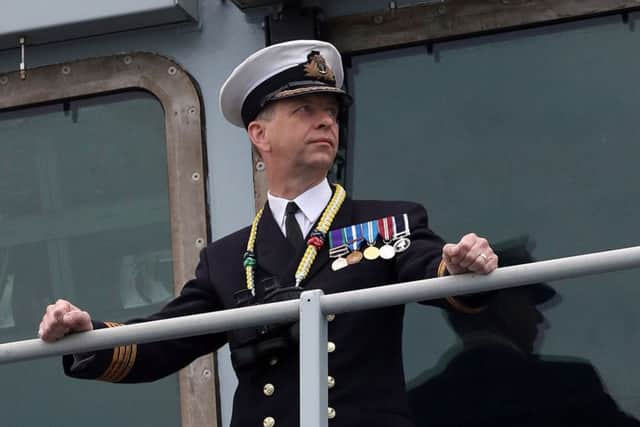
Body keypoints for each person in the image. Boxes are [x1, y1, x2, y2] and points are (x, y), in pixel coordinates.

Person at [38, 40, 498, 427]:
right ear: (259, 134)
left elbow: (435, 270)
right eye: (305, 109)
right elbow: (167, 341)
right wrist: (89, 336)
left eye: (331, 112)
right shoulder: (227, 258)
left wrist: (458, 266)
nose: (326, 122)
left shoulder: (387, 223)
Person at [408, 239, 640, 427]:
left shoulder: (418, 404)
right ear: (504, 306)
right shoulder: (568, 384)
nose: (541, 319)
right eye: (530, 303)